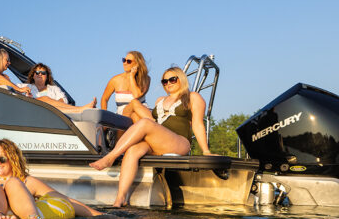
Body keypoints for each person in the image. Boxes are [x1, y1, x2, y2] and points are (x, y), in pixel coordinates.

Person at [89, 67, 213, 206]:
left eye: (172, 79)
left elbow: (197, 124)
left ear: (181, 79)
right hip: (158, 142)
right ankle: (121, 198)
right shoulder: (160, 100)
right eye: (164, 81)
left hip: (179, 142)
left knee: (145, 123)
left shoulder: (192, 97)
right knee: (133, 150)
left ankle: (110, 157)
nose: (168, 83)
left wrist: (206, 151)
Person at [0, 139, 104, 219]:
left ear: (13, 159)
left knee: (14, 182)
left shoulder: (27, 182)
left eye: (2, 158)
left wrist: (99, 216)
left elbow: (62, 199)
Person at [100, 51, 151, 121]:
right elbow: (104, 98)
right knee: (134, 102)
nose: (125, 63)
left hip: (142, 113)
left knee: (135, 116)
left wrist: (131, 77)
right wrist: (105, 118)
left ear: (137, 64)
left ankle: (152, 126)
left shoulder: (146, 79)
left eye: (129, 61)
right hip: (123, 114)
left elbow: (136, 94)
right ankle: (155, 124)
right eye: (124, 60)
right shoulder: (115, 80)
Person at [25, 63, 96, 112]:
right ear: (33, 75)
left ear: (47, 76)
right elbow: (13, 88)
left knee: (48, 101)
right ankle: (81, 109)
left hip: (54, 115)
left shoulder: (54, 89)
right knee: (44, 98)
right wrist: (18, 89)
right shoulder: (24, 87)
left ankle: (81, 110)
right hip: (33, 113)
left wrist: (53, 104)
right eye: (37, 72)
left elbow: (64, 100)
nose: (40, 74)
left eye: (43, 73)